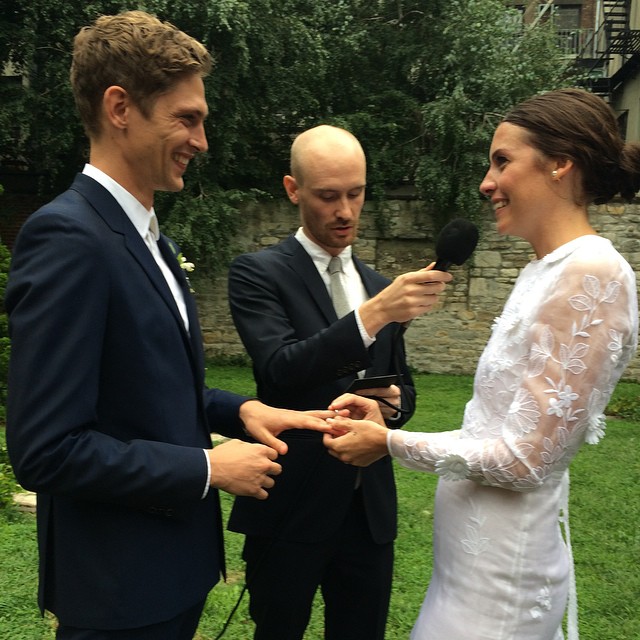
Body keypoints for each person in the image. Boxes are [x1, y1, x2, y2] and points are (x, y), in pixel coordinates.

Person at [4, 11, 331, 639]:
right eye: (187, 119)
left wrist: (241, 414)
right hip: (117, 591)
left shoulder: (146, 235)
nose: (201, 141)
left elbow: (143, 384)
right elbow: (45, 450)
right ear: (119, 107)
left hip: (170, 574)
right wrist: (209, 469)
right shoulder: (69, 238)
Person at [323, 88, 639, 640]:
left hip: (503, 575)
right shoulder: (543, 269)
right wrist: (383, 424)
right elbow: (492, 427)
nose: (485, 182)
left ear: (560, 163)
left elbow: (526, 460)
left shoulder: (592, 273)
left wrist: (390, 444)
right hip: (470, 558)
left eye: (502, 161)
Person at [226, 124, 452, 640]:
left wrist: (393, 407)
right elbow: (280, 370)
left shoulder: (375, 284)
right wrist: (371, 318)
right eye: (328, 196)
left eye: (356, 193)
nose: (345, 211)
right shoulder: (257, 273)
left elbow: (405, 388)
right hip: (291, 504)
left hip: (366, 508)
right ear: (292, 189)